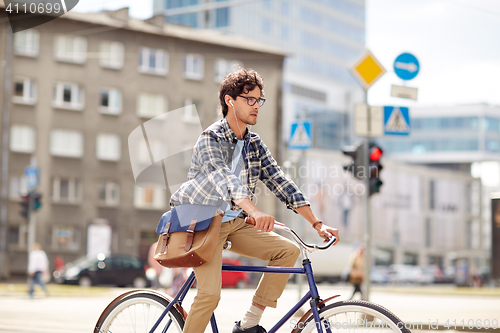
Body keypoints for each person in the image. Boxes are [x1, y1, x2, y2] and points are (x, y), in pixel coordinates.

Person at [170, 67, 340, 333]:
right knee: (210, 295)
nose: (256, 106)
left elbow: (281, 182)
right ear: (230, 100)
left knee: (288, 251)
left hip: (232, 224)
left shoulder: (254, 144)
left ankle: (249, 322)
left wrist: (318, 224)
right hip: (199, 224)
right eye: (250, 99)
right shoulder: (210, 139)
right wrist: (254, 210)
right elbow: (225, 180)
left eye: (259, 100)